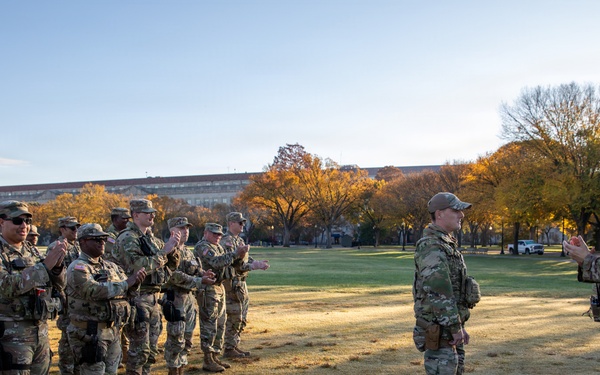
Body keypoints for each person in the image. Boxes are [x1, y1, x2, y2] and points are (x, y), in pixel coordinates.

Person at [412, 192, 480, 375]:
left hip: (449, 332)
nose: (461, 215)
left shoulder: (445, 243)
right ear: (439, 213)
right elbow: (438, 291)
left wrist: (458, 327)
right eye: (456, 210)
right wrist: (455, 327)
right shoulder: (431, 246)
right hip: (441, 332)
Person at [65, 223, 146, 375]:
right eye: (96, 239)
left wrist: (135, 284)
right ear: (82, 242)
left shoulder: (111, 266)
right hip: (89, 333)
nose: (102, 242)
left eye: (103, 238)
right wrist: (127, 283)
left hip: (112, 329)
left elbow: (127, 291)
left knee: (111, 371)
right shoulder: (78, 267)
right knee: (93, 371)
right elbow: (93, 290)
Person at [114, 198, 180, 375]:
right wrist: (164, 251)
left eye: (153, 213)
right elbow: (137, 266)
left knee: (150, 351)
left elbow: (167, 269)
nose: (152, 216)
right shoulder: (128, 238)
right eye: (147, 213)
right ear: (135, 215)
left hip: (154, 298)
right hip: (137, 298)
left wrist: (173, 251)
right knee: (138, 351)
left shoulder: (151, 239)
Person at [0, 200, 67, 373]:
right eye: (17, 221)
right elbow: (6, 285)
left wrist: (57, 268)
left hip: (40, 332)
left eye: (28, 221)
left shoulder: (31, 250)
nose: (24, 225)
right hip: (11, 336)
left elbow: (58, 286)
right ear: (1, 222)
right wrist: (44, 267)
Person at [162, 217, 216, 375]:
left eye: (187, 228)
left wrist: (204, 274)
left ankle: (181, 367)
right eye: (181, 228)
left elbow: (195, 269)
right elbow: (173, 275)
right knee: (175, 339)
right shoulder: (168, 250)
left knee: (187, 339)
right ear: (173, 231)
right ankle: (173, 369)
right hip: (175, 299)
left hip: (189, 300)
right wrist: (199, 280)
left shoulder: (187, 251)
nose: (185, 231)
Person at [194, 223, 248, 372]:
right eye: (214, 234)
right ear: (206, 233)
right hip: (208, 288)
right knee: (209, 325)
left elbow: (228, 264)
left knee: (220, 324)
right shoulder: (203, 247)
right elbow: (216, 262)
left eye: (219, 234)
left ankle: (215, 355)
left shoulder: (218, 247)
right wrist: (236, 254)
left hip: (220, 286)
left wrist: (240, 258)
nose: (218, 236)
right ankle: (207, 358)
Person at [220, 212, 269, 358]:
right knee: (234, 315)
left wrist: (256, 263)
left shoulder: (239, 241)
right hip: (232, 284)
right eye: (239, 223)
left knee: (241, 316)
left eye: (243, 223)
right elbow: (234, 264)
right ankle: (229, 348)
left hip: (241, 283)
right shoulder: (226, 241)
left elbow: (247, 259)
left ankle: (234, 345)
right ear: (231, 224)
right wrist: (254, 266)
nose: (242, 225)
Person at [48, 216, 81, 375]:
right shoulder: (56, 247)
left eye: (77, 228)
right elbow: (53, 276)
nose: (76, 231)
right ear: (62, 229)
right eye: (72, 228)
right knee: (67, 339)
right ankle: (67, 370)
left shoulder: (78, 246)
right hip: (66, 298)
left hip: (80, 299)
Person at [104, 207, 132, 369]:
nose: (127, 222)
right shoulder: (110, 237)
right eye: (124, 219)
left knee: (125, 319)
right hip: (113, 282)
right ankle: (118, 354)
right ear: (114, 220)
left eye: (128, 219)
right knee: (116, 322)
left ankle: (125, 353)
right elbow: (117, 253)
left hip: (124, 280)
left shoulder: (124, 235)